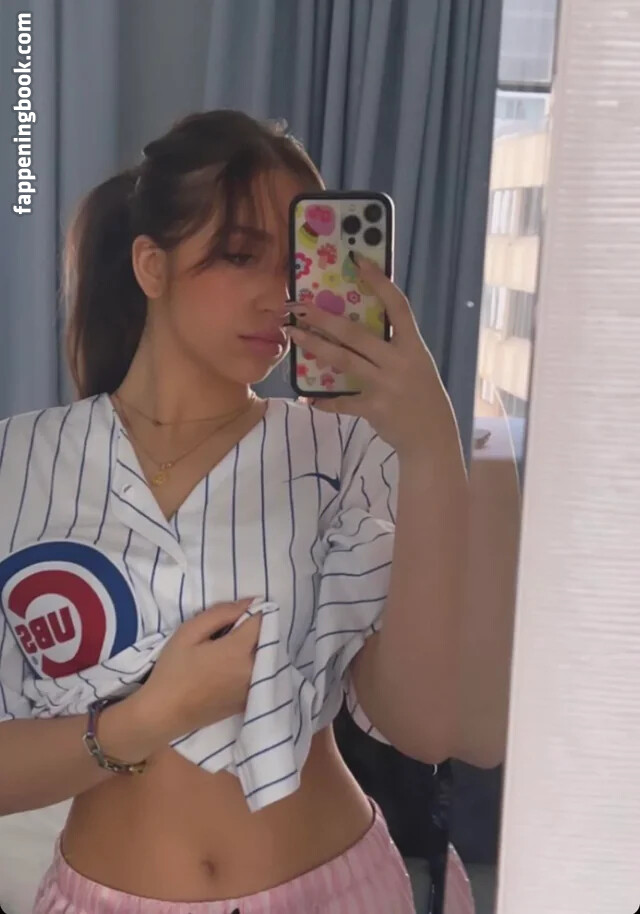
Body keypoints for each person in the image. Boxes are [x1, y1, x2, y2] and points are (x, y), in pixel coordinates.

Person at [0, 109, 475, 914]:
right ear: (151, 265)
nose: (280, 295)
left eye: (298, 263)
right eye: (241, 255)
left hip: (336, 890)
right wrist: (146, 719)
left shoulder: (342, 448)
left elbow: (424, 729)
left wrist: (431, 447)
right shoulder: (17, 464)